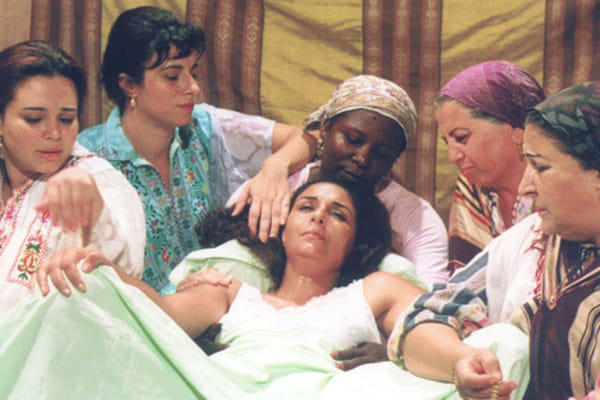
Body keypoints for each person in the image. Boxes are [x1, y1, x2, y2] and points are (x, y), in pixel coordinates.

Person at [14, 180, 425, 399]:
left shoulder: (373, 291)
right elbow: (159, 314)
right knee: (80, 294)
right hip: (219, 391)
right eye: (306, 206)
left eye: (338, 215)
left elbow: (435, 326)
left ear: (355, 243)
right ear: (282, 229)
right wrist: (106, 270)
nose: (318, 218)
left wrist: (396, 355)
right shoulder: (229, 291)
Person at [77, 6, 316, 293]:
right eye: (172, 76)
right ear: (129, 85)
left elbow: (312, 135)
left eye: (193, 73)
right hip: (135, 309)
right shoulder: (88, 158)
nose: (193, 88)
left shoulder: (203, 127)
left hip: (215, 300)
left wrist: (275, 168)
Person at [389, 81, 600, 400]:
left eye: (541, 167)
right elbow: (425, 315)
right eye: (527, 164)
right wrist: (461, 361)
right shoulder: (536, 238)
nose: (526, 187)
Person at [229, 74, 449, 286]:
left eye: (382, 152)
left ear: (395, 158)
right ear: (325, 130)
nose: (363, 159)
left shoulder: (415, 218)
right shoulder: (275, 188)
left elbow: (429, 296)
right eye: (353, 140)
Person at [0, 40, 145, 316]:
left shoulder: (96, 177)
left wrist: (95, 209)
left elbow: (127, 274)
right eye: (34, 119)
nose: (54, 133)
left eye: (66, 119)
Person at [435, 61, 546, 273]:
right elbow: (466, 279)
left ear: (517, 129)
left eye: (461, 137)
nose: (452, 156)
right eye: (447, 142)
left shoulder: (558, 185)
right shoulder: (471, 189)